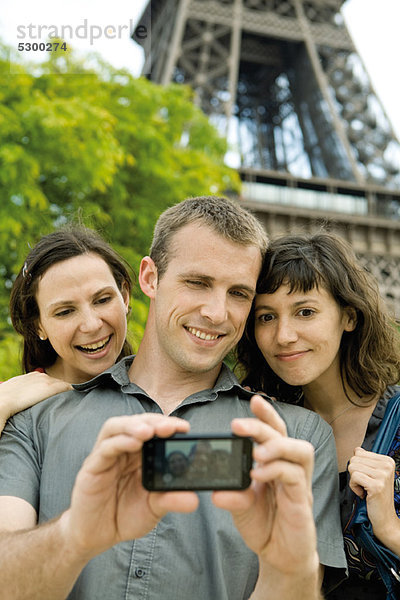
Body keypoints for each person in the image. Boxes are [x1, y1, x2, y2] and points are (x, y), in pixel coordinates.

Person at [0, 197, 346, 599]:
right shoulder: (37, 420)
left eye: (238, 293)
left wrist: (287, 571)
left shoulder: (296, 440)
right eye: (197, 283)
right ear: (150, 278)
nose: (217, 312)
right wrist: (74, 535)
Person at [237, 230, 400, 599]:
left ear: (349, 316)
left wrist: (389, 526)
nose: (284, 335)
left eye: (305, 311)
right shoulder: (261, 425)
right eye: (265, 317)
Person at [0, 226, 134, 434]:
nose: (92, 325)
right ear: (38, 325)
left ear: (124, 297)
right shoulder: (9, 402)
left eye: (103, 300)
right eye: (64, 312)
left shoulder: (161, 391)